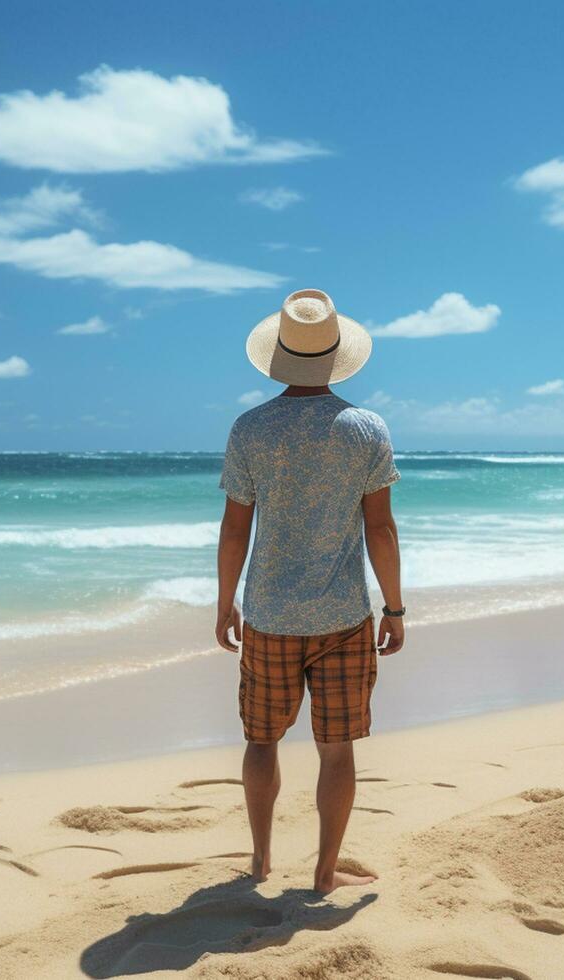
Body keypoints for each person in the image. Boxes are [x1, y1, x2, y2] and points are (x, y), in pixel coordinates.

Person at [215, 288, 405, 896]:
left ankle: (261, 858)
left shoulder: (251, 428)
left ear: (279, 354)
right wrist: (395, 608)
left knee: (261, 740)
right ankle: (324, 872)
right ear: (335, 354)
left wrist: (225, 603)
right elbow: (380, 527)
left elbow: (235, 526)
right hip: (343, 616)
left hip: (269, 615)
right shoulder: (366, 428)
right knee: (337, 751)